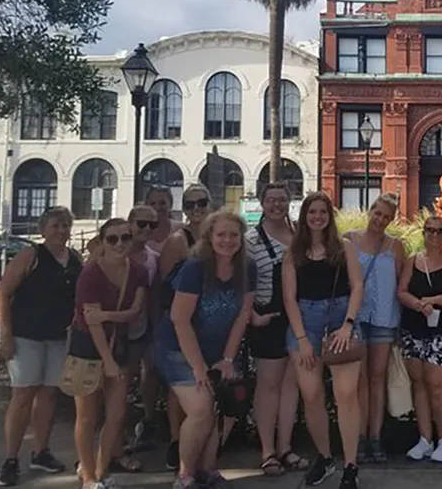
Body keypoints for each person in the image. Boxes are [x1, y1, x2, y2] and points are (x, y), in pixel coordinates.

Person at [154, 210, 256, 489]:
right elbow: (179, 319)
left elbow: (242, 315)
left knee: (225, 407)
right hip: (178, 348)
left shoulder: (247, 267)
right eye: (221, 234)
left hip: (217, 350)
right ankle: (185, 475)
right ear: (209, 237)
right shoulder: (195, 268)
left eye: (233, 235)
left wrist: (227, 359)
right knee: (201, 409)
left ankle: (207, 468)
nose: (227, 240)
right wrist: (198, 366)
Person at [0, 207, 83, 487]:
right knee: (22, 396)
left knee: (48, 395)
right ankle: (11, 459)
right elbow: (4, 293)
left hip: (57, 337)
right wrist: (6, 335)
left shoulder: (75, 259)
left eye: (66, 226)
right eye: (56, 225)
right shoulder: (30, 256)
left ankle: (41, 451)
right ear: (43, 229)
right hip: (26, 337)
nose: (61, 231)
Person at [283, 192, 365, 489]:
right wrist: (303, 339)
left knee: (346, 396)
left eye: (322, 212)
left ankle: (351, 465)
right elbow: (289, 299)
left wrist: (348, 325)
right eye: (312, 212)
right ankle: (325, 457)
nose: (317, 217)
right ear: (304, 216)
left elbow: (357, 287)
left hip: (340, 317)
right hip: (305, 321)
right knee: (312, 395)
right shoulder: (293, 254)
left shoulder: (344, 248)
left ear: (330, 216)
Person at [71, 219, 148, 489]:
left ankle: (101, 471)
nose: (119, 244)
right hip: (88, 346)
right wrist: (108, 362)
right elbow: (90, 322)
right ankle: (88, 475)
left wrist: (106, 314)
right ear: (102, 243)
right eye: (112, 239)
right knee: (87, 415)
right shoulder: (90, 274)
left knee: (116, 414)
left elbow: (134, 311)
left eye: (125, 238)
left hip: (119, 343)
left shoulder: (137, 271)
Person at [244, 183, 308, 476]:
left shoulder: (298, 236)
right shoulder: (250, 239)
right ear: (262, 203)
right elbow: (241, 283)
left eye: (282, 200)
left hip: (297, 318)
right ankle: (268, 450)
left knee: (291, 386)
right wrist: (252, 316)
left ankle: (285, 446)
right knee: (268, 386)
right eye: (271, 201)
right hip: (268, 318)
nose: (277, 205)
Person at [397, 216, 442, 463]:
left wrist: (433, 300)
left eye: (439, 231)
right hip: (414, 327)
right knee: (418, 383)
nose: (434, 235)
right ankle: (425, 438)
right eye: (429, 230)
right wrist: (417, 304)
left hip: (440, 329)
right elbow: (402, 291)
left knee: (436, 384)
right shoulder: (412, 261)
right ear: (423, 232)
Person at [344, 193, 405, 463]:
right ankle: (359, 436)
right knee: (360, 381)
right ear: (370, 211)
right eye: (377, 213)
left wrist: (401, 325)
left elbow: (401, 284)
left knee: (378, 379)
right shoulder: (349, 240)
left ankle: (375, 436)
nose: (380, 220)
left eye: (386, 217)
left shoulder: (396, 246)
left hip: (384, 316)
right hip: (355, 318)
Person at [156, 184, 212, 470]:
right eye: (190, 205)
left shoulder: (219, 236)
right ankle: (177, 440)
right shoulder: (179, 240)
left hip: (212, 322)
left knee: (205, 386)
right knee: (180, 386)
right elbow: (165, 286)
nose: (196, 209)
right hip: (183, 321)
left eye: (201, 203)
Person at [115, 205, 161, 467]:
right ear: (130, 223)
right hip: (117, 331)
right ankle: (117, 444)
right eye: (141, 223)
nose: (146, 229)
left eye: (151, 225)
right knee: (119, 387)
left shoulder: (153, 257)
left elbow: (153, 295)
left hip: (143, 328)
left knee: (149, 375)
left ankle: (147, 423)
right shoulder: (114, 252)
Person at [145, 184, 183, 254]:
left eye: (162, 203)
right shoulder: (139, 230)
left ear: (171, 205)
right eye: (152, 203)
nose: (157, 207)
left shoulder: (181, 229)